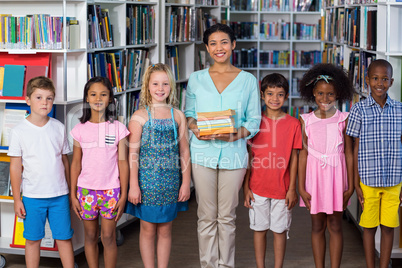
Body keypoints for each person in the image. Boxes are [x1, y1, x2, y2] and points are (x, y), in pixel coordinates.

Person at [185, 23, 261, 268]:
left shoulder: (248, 80)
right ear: (207, 48)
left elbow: (254, 119)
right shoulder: (196, 79)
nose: (219, 48)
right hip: (202, 154)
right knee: (206, 216)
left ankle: (226, 265)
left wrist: (236, 134)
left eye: (224, 42)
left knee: (227, 217)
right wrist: (195, 127)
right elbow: (188, 113)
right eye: (213, 43)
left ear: (233, 44)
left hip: (233, 154)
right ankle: (208, 264)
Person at [125, 63, 191, 268]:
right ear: (147, 86)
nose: (160, 88)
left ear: (171, 86)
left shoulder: (177, 115)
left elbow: (184, 152)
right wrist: (133, 185)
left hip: (171, 183)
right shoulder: (139, 117)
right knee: (147, 229)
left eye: (164, 83)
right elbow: (133, 154)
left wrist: (186, 183)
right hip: (147, 184)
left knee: (165, 229)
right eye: (155, 83)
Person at [8, 76, 74, 268]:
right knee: (32, 240)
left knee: (64, 238)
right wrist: (17, 199)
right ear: (28, 100)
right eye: (38, 97)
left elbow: (64, 160)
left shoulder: (58, 128)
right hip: (32, 196)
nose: (44, 103)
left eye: (49, 98)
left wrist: (69, 190)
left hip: (59, 195)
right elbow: (15, 166)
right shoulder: (19, 131)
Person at [346, 59, 402, 268]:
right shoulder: (359, 110)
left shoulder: (399, 110)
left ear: (391, 81)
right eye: (375, 78)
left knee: (388, 227)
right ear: (368, 80)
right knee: (369, 227)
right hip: (368, 181)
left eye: (385, 79)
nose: (380, 83)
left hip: (394, 180)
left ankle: (384, 265)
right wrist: (356, 183)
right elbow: (353, 148)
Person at [298, 63, 354, 268]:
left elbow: (348, 153)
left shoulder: (344, 119)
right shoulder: (305, 120)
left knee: (335, 225)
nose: (325, 98)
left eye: (330, 94)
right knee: (317, 226)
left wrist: (351, 185)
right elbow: (303, 154)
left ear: (338, 93)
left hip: (337, 178)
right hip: (314, 179)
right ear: (313, 93)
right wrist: (301, 187)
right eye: (320, 93)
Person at [243, 73, 302, 268]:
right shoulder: (254, 123)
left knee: (279, 231)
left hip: (282, 189)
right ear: (262, 95)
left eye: (279, 94)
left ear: (286, 96)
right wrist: (246, 187)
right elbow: (249, 157)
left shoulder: (294, 124)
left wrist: (292, 189)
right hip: (257, 187)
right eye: (270, 94)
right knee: (259, 230)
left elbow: (294, 158)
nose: (274, 99)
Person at [70, 76, 129, 268]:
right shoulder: (79, 130)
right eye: (93, 94)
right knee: (90, 235)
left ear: (110, 98)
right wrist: (73, 194)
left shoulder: (118, 128)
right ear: (86, 98)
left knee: (108, 236)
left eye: (103, 94)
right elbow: (76, 163)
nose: (98, 98)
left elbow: (123, 163)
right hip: (86, 191)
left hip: (111, 191)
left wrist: (124, 194)